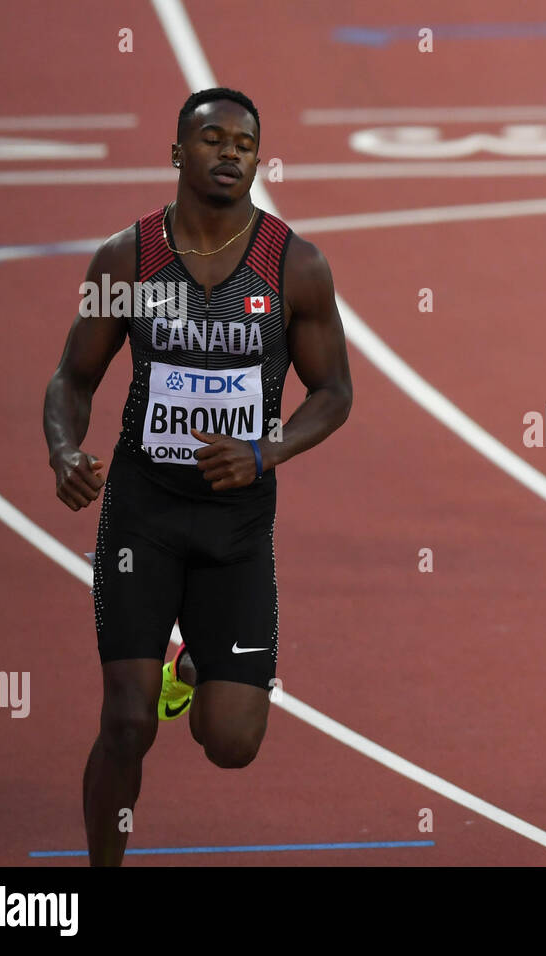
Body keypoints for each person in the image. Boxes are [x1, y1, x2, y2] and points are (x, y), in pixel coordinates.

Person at [43, 87, 352, 865]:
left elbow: (335, 392)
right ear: (178, 154)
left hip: (237, 525)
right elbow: (72, 378)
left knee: (232, 742)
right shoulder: (127, 258)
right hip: (143, 515)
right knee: (126, 723)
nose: (230, 154)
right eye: (212, 140)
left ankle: (191, 670)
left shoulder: (295, 265)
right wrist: (63, 451)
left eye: (245, 145)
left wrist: (265, 451)